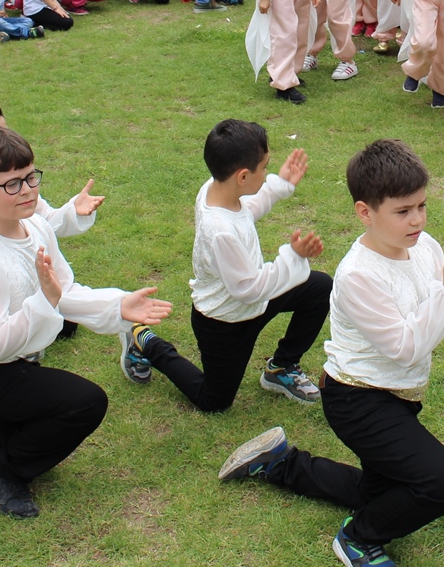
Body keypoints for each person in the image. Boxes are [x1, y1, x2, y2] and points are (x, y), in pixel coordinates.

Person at [219, 139, 444, 567]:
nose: (417, 219)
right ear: (366, 212)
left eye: (422, 206)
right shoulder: (359, 275)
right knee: (441, 484)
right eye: (403, 211)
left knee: (378, 491)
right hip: (356, 400)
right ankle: (358, 537)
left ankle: (279, 463)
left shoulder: (424, 248)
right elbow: (405, 347)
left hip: (399, 395)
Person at [0, 126, 171, 518]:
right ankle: (0, 470)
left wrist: (118, 305)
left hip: (17, 355)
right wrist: (45, 299)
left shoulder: (35, 225)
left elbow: (64, 289)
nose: (28, 191)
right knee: (84, 403)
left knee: (14, 429)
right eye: (12, 184)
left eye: (31, 177)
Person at [119, 119, 329, 410]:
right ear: (242, 176)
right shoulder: (221, 232)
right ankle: (146, 341)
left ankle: (281, 367)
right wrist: (293, 256)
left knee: (320, 289)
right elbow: (248, 289)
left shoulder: (217, 188)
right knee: (214, 401)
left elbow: (246, 212)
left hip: (255, 301)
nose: (268, 171)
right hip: (224, 321)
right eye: (265, 167)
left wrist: (278, 187)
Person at [0, 99, 102, 243]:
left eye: (7, 131)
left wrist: (73, 211)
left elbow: (44, 219)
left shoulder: (18, 181)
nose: (8, 138)